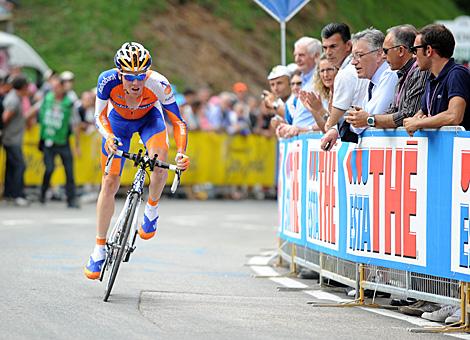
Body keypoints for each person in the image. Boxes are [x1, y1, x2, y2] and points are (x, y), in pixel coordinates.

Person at [84, 42, 190, 279]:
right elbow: (99, 115)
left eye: (141, 76)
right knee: (110, 181)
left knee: (160, 160)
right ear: (120, 73)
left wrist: (181, 152)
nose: (136, 83)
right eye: (130, 77)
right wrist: (109, 136)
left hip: (149, 120)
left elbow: (178, 122)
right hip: (118, 124)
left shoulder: (159, 84)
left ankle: (151, 210)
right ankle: (99, 249)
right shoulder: (106, 81)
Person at [343, 25, 429, 129]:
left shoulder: (419, 71)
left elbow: (408, 114)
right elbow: (393, 110)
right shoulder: (401, 73)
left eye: (386, 51)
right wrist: (368, 119)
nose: (383, 56)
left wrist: (370, 119)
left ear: (401, 51)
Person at [403, 24, 470, 135]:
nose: (414, 56)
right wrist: (413, 122)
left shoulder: (457, 74)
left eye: (415, 50)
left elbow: (454, 116)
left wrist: (419, 123)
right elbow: (421, 114)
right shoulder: (432, 79)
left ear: (429, 50)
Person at [319, 23, 368, 151]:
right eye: (325, 48)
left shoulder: (345, 73)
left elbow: (331, 121)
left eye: (333, 47)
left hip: (361, 141)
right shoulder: (350, 70)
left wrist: (330, 124)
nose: (328, 53)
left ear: (348, 46)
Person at [36, 75, 80, 208]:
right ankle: (43, 193)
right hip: (48, 140)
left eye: (56, 87)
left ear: (62, 87)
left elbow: (76, 123)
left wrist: (77, 144)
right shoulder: (47, 99)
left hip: (63, 141)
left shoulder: (69, 103)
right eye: (53, 87)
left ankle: (71, 199)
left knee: (69, 170)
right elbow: (40, 114)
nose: (54, 89)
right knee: (49, 169)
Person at [344, 28, 398, 134]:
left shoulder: (390, 75)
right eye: (352, 57)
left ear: (379, 54)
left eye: (359, 55)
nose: (353, 62)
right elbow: (358, 123)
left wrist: (363, 120)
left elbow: (366, 120)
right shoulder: (372, 81)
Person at [276, 37, 322, 137]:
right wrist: (288, 129)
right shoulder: (304, 81)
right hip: (302, 145)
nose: (297, 59)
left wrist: (303, 129)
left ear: (316, 56)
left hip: (316, 143)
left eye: (301, 55)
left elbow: (329, 121)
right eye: (295, 55)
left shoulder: (321, 81)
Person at [2, 75, 31, 206]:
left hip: (13, 137)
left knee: (11, 166)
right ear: (23, 87)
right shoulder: (13, 100)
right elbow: (5, 118)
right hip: (11, 138)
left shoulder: (16, 97)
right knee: (20, 165)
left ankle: (8, 193)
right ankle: (17, 194)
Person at [299, 54, 339, 133]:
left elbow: (336, 127)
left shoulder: (342, 93)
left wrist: (320, 110)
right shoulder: (328, 94)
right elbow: (325, 129)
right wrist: (313, 110)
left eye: (329, 69)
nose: (325, 75)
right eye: (322, 71)